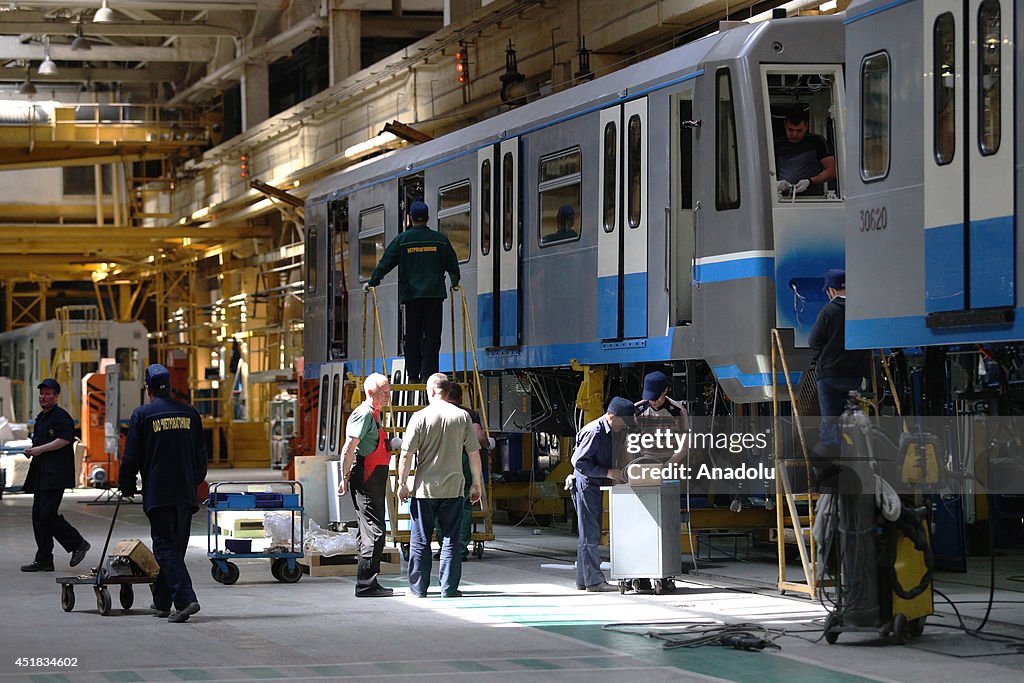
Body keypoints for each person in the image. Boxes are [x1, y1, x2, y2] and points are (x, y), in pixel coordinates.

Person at [119, 364, 208, 623]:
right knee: (175, 548)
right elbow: (201, 456)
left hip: (159, 493)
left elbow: (131, 456)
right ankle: (161, 602)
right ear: (169, 387)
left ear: (148, 389)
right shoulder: (190, 413)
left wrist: (125, 483)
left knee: (165, 547)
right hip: (186, 494)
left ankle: (186, 599)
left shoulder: (143, 415)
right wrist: (192, 482)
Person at [397, 373, 483, 598]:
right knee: (450, 540)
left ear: (432, 391)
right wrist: (477, 484)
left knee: (421, 540)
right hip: (453, 488)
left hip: (424, 489)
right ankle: (449, 588)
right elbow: (474, 453)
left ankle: (418, 589)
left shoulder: (419, 417)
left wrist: (402, 483)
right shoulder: (462, 416)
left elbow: (406, 455)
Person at [367, 200, 461, 384]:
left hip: (411, 296)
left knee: (412, 335)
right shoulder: (439, 239)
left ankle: (412, 375)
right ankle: (428, 374)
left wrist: (373, 281)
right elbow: (452, 263)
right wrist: (454, 281)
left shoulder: (402, 240)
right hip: (434, 295)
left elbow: (385, 262)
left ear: (410, 218)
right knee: (432, 335)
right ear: (427, 218)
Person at [20, 379, 90, 572]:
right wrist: (32, 450)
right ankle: (44, 559)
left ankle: (77, 543)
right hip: (41, 474)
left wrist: (40, 449)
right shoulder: (41, 418)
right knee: (38, 516)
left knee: (47, 514)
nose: (43, 397)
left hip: (55, 475)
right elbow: (42, 444)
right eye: (41, 394)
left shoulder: (61, 417)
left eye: (48, 394)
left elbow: (66, 439)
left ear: (56, 396)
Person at [338, 372, 396, 598]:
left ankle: (368, 582)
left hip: (373, 477)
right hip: (366, 477)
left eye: (389, 392)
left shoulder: (374, 415)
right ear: (371, 392)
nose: (388, 397)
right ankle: (366, 584)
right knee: (375, 530)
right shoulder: (363, 415)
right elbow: (348, 448)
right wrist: (343, 478)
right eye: (384, 393)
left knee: (368, 530)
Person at [571, 396, 632, 592]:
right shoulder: (594, 432)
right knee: (590, 534)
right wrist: (607, 472)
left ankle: (584, 580)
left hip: (594, 483)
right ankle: (595, 582)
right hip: (586, 484)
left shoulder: (612, 430)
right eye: (623, 422)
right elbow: (578, 462)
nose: (624, 427)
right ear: (612, 417)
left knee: (587, 534)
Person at [809, 269, 872, 450]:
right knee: (855, 423)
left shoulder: (828, 311)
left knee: (830, 425)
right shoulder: (861, 311)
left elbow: (814, 342)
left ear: (831, 290)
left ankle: (831, 464)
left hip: (830, 376)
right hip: (856, 377)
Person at [433, 382, 489, 561]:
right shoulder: (467, 414)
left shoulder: (432, 412)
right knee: (463, 504)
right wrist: (488, 444)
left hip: (438, 461)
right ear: (460, 397)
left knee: (439, 503)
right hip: (462, 459)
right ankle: (460, 549)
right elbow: (479, 438)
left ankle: (444, 547)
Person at [774, 108, 836, 197]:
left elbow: (831, 170)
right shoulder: (777, 144)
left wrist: (810, 181)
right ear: (785, 125)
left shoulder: (816, 142)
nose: (794, 135)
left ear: (806, 126)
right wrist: (775, 183)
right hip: (782, 198)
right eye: (790, 130)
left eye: (799, 130)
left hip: (812, 198)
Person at [634, 371, 689, 466]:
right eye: (650, 397)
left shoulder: (678, 412)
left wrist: (666, 467)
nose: (654, 401)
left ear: (665, 390)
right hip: (644, 462)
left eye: (656, 397)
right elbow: (629, 443)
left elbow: (684, 446)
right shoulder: (637, 411)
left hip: (672, 462)